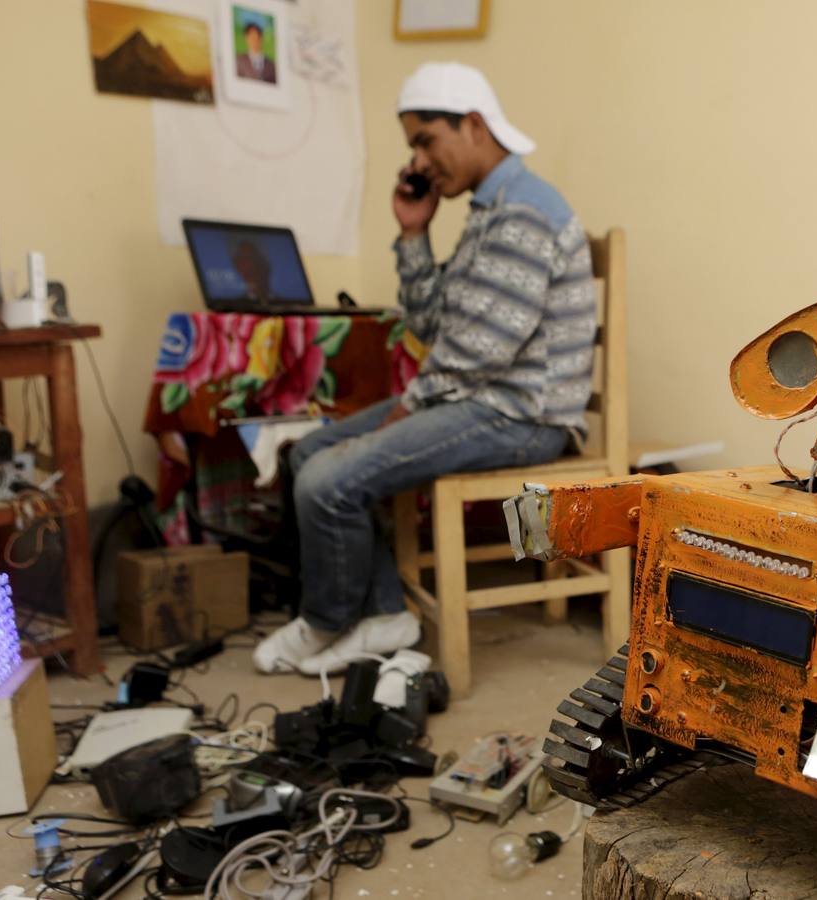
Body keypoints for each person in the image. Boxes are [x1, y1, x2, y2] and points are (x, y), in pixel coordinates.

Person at [253, 62, 597, 675]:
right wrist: (413, 235)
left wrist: (409, 408)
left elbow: (482, 350)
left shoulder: (524, 213)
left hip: (522, 414)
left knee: (328, 481)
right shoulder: (489, 211)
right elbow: (434, 327)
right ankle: (384, 614)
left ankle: (328, 619)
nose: (419, 161)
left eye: (425, 141)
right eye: (413, 145)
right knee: (308, 458)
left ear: (472, 125)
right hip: (477, 400)